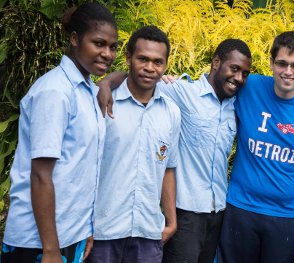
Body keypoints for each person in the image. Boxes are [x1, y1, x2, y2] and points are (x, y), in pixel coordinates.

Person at [97, 38, 252, 263]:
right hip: (186, 212)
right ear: (216, 62)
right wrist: (106, 82)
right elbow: (140, 77)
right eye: (234, 69)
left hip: (217, 212)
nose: (238, 78)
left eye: (244, 73)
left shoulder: (236, 103)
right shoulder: (181, 91)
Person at [1, 3, 118, 263]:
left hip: (69, 234)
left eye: (113, 47)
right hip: (39, 242)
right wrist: (51, 250)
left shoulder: (86, 90)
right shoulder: (55, 92)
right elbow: (41, 175)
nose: (107, 53)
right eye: (98, 43)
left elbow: (78, 169)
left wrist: (84, 230)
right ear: (75, 39)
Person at [218, 31, 294, 263]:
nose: (288, 72)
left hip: (286, 215)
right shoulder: (248, 86)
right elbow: (211, 85)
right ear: (271, 62)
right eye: (282, 63)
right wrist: (171, 80)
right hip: (241, 207)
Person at [86, 26, 180, 263]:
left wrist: (171, 221)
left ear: (166, 64)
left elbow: (168, 167)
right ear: (128, 58)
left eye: (158, 62)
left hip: (149, 233)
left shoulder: (171, 112)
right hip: (103, 230)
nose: (150, 68)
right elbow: (84, 167)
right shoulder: (103, 102)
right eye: (143, 59)